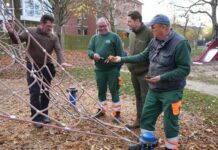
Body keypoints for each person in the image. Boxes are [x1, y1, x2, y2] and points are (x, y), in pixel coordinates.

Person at [107, 14, 191, 150]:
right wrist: (121, 59)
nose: (151, 29)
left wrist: (162, 77)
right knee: (146, 117)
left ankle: (171, 147)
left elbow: (184, 69)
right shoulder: (154, 41)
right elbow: (142, 56)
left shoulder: (180, 43)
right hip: (154, 89)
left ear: (164, 27)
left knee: (170, 122)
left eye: (153, 27)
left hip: (171, 91)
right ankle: (147, 143)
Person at [6, 14, 71, 128]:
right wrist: (11, 32)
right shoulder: (30, 32)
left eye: (51, 27)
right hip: (33, 67)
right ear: (41, 24)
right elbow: (17, 40)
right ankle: (36, 118)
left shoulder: (53, 37)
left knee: (45, 92)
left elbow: (59, 50)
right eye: (48, 26)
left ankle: (44, 114)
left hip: (47, 67)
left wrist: (62, 62)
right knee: (35, 92)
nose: (50, 29)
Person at [87, 17, 123, 122]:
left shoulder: (115, 37)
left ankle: (117, 114)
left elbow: (120, 55)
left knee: (114, 91)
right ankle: (101, 111)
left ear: (108, 25)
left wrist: (117, 69)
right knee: (101, 91)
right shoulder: (94, 38)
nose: (102, 28)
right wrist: (93, 55)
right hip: (99, 70)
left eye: (104, 26)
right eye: (100, 26)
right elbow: (89, 50)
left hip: (112, 70)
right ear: (97, 27)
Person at [125, 11, 153, 129]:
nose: (128, 24)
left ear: (137, 21)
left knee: (146, 98)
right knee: (137, 96)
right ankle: (139, 119)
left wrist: (151, 73)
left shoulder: (149, 33)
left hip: (144, 73)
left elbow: (153, 54)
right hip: (133, 72)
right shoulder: (131, 34)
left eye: (129, 21)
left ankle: (146, 124)